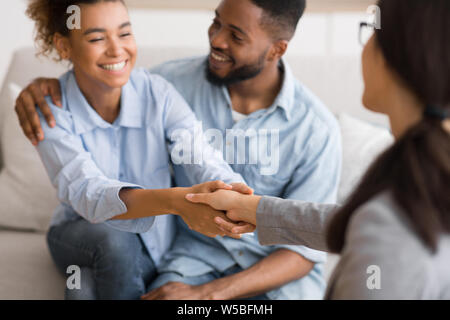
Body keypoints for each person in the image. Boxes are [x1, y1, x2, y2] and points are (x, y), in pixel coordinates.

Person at [17, 0, 342, 300]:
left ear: (276, 50)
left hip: (275, 284)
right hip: (189, 264)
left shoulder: (316, 130)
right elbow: (90, 181)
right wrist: (37, 89)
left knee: (85, 287)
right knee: (103, 257)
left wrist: (232, 195)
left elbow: (202, 157)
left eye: (236, 36)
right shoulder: (170, 81)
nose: (216, 40)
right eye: (216, 23)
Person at [185, 0, 450, 299]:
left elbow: (370, 227)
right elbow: (351, 222)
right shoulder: (419, 184)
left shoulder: (391, 230)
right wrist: (253, 208)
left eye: (372, 32)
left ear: (401, 59)